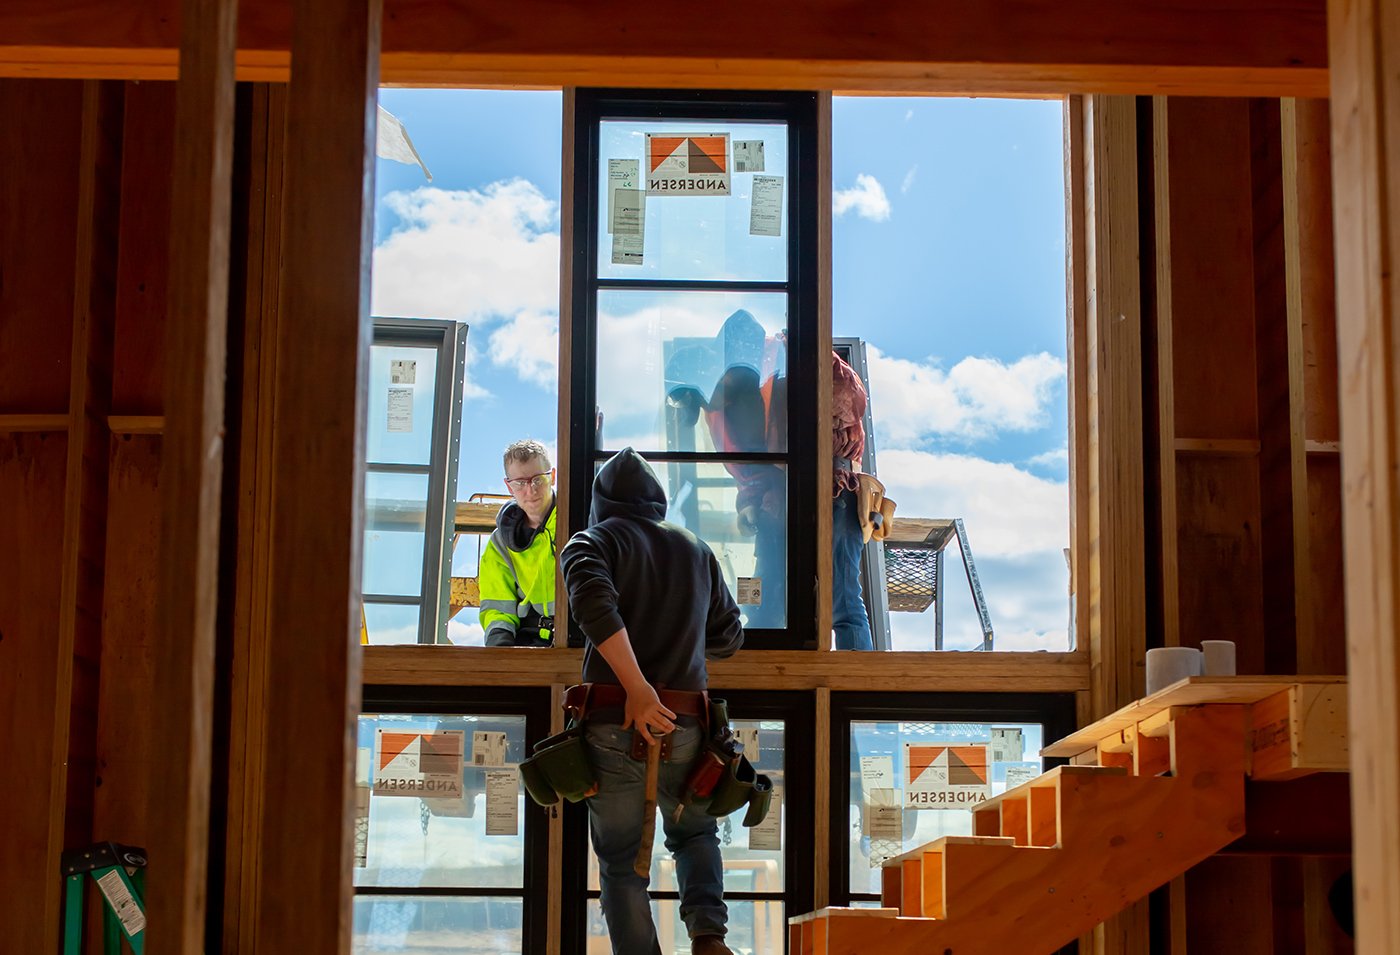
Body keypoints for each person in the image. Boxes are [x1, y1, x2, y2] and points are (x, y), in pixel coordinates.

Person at [560, 448, 745, 955]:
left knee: (622, 864)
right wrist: (680, 632)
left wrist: (639, 690)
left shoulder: (589, 542)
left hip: (613, 720)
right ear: (658, 500)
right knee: (695, 835)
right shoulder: (696, 549)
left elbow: (593, 607)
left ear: (601, 502)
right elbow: (729, 637)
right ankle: (708, 937)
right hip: (687, 725)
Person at [665, 309, 788, 628]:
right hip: (770, 512)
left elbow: (783, 459)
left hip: (795, 509)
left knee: (775, 602)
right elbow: (753, 470)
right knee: (762, 602)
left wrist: (767, 498)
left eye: (700, 398)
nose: (706, 407)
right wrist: (748, 502)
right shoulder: (722, 411)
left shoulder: (773, 374)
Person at [479, 439, 557, 647]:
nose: (531, 491)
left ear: (553, 477)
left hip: (581, 636)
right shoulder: (500, 544)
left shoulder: (578, 524)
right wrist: (500, 652)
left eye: (538, 480)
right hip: (527, 640)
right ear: (508, 486)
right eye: (520, 483)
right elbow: (497, 606)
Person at [832, 351, 875, 650]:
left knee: (844, 598)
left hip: (839, 491)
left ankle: (859, 670)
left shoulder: (834, 371)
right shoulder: (838, 374)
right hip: (837, 492)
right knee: (844, 598)